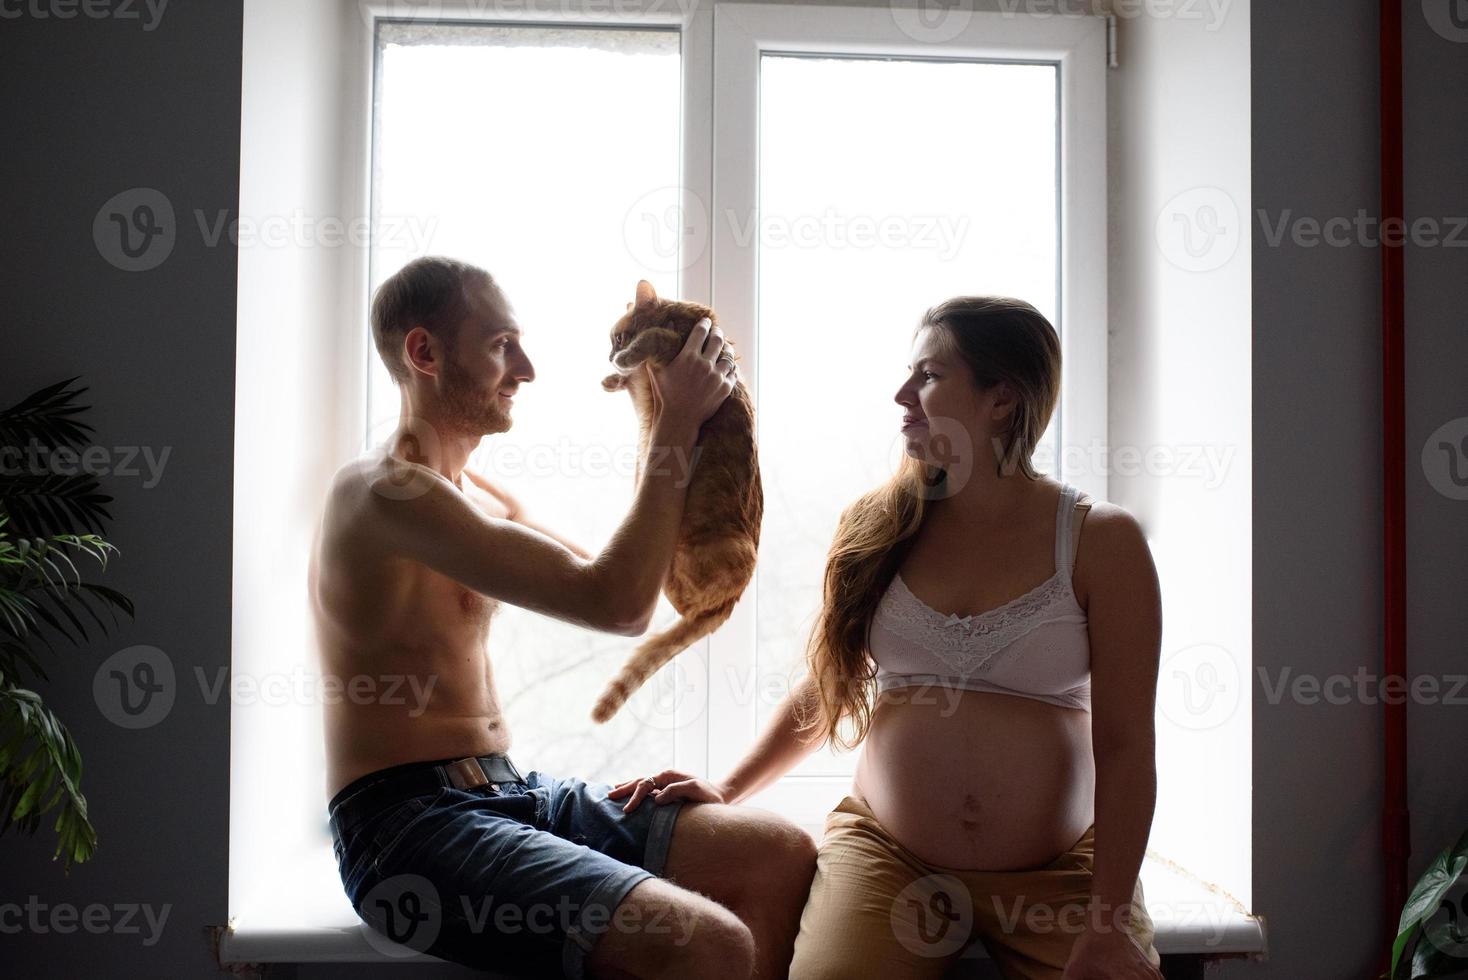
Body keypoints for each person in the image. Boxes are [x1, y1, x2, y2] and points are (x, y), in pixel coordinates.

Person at [614, 296, 1166, 980]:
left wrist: (1108, 922)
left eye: (930, 377)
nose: (903, 394)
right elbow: (829, 686)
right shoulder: (875, 525)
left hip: (1059, 876)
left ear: (1002, 399)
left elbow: (1125, 747)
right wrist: (727, 789)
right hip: (889, 861)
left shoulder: (1100, 541)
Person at [309, 256, 816, 979]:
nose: (527, 369)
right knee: (712, 945)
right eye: (501, 346)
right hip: (406, 827)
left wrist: (700, 431)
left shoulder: (473, 497)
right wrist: (675, 422)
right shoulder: (385, 493)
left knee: (779, 855)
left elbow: (638, 584)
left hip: (508, 790)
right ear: (424, 353)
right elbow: (618, 606)